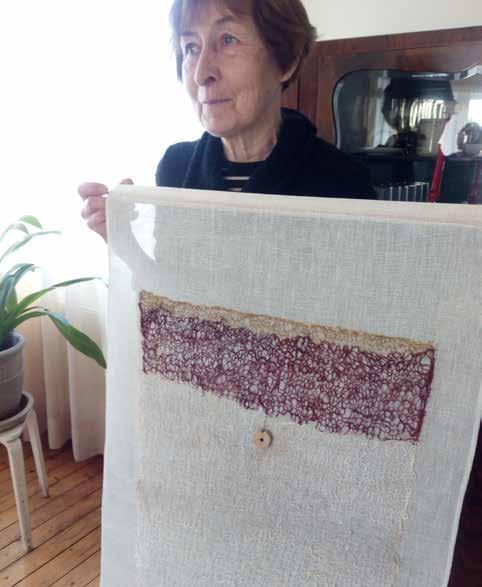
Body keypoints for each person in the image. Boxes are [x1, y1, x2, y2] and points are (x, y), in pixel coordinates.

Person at [79, 0, 377, 241]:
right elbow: (169, 286)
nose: (201, 73)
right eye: (191, 47)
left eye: (228, 39)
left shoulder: (345, 184)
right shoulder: (176, 167)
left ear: (286, 61)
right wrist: (121, 238)